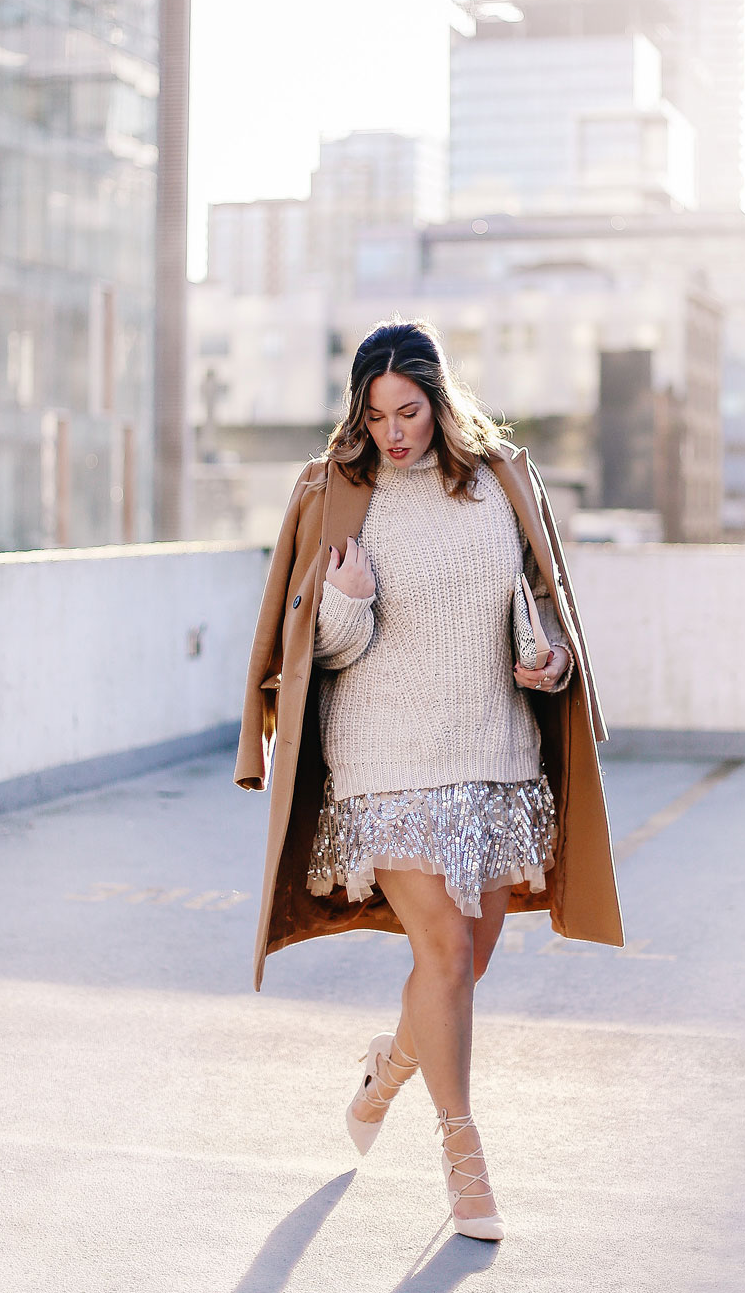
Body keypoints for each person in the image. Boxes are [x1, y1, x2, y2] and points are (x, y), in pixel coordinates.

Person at [234, 318, 624, 1242]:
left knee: (467, 962)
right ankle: (464, 1160)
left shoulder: (502, 482)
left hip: (492, 756)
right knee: (444, 952)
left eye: (408, 411)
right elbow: (320, 652)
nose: (393, 433)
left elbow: (539, 609)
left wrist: (550, 664)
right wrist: (349, 599)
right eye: (375, 417)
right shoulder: (341, 492)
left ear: (442, 402)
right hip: (385, 762)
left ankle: (389, 1067)